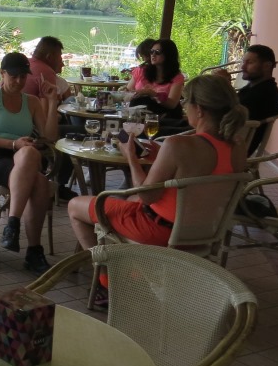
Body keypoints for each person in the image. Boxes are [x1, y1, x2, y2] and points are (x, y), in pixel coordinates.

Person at [68, 74, 248, 252]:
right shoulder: (237, 147)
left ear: (199, 109)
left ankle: (104, 273)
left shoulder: (178, 145)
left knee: (75, 205)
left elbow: (147, 196)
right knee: (131, 199)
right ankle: (133, 267)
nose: (184, 107)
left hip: (160, 233)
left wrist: (131, 156)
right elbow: (200, 175)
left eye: (185, 102)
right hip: (204, 234)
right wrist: (162, 157)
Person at [0, 52, 60, 274]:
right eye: (14, 76)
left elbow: (49, 137)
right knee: (38, 180)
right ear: (2, 73)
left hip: (22, 157)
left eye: (24, 76)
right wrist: (13, 144)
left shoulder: (31, 102)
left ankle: (13, 225)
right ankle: (33, 251)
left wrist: (52, 101)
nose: (20, 82)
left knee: (30, 156)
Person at [23, 36, 76, 201]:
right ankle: (59, 187)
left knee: (67, 128)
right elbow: (45, 118)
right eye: (60, 57)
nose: (61, 61)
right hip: (32, 130)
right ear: (50, 56)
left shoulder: (29, 64)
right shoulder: (45, 72)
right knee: (71, 137)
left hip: (23, 124)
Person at [214, 44, 278, 153]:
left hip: (228, 147)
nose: (243, 67)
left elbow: (225, 114)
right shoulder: (256, 87)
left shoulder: (263, 94)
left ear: (267, 66)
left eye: (250, 63)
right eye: (243, 62)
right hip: (227, 138)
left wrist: (223, 86)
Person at [127, 38, 185, 119]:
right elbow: (129, 91)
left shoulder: (177, 77)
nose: (153, 55)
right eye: (151, 51)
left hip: (164, 119)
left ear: (168, 55)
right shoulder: (142, 71)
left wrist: (152, 93)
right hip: (139, 116)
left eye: (157, 52)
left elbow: (172, 104)